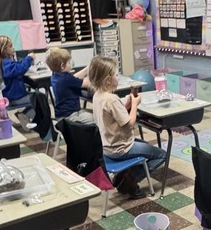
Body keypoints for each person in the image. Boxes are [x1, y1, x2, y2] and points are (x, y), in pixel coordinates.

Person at [88, 55, 167, 195]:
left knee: (144, 144)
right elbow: (130, 124)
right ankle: (128, 181)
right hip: (121, 148)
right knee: (162, 155)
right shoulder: (112, 99)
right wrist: (135, 105)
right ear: (107, 80)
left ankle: (125, 176)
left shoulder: (97, 96)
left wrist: (126, 105)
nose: (118, 78)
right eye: (116, 75)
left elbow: (113, 117)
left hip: (106, 147)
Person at [46, 46, 90, 119]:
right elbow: (88, 84)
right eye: (69, 62)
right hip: (71, 115)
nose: (70, 63)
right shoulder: (66, 78)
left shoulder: (55, 75)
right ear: (62, 65)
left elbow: (74, 78)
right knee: (96, 120)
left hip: (61, 114)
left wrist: (86, 69)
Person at [0, 35, 33, 108]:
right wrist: (29, 58)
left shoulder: (5, 62)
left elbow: (18, 65)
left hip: (13, 97)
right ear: (3, 49)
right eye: (10, 46)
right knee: (40, 98)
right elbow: (20, 69)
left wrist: (27, 58)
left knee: (37, 96)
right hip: (15, 98)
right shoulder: (6, 64)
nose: (13, 48)